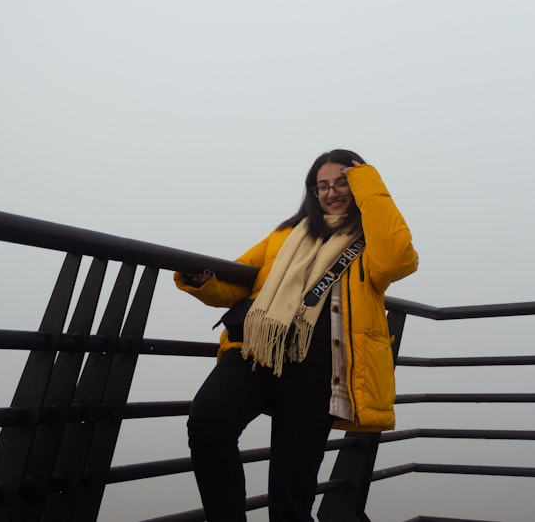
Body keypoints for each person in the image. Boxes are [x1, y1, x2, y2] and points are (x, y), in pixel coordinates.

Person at [174, 149, 418, 522]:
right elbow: (240, 280)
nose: (332, 192)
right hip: (258, 349)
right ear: (312, 192)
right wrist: (202, 281)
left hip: (321, 366)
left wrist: (368, 182)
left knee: (293, 484)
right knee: (208, 421)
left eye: (343, 183)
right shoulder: (286, 234)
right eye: (322, 186)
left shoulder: (371, 238)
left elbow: (399, 258)